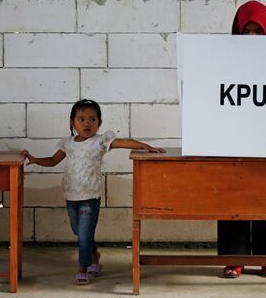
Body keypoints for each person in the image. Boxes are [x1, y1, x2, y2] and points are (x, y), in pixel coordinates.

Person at [22, 99, 165, 285]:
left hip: (90, 197)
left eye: (92, 119)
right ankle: (95, 254)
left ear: (99, 123)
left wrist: (146, 146)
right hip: (71, 196)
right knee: (79, 231)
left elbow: (123, 142)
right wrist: (35, 159)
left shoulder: (100, 142)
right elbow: (52, 160)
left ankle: (83, 268)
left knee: (83, 235)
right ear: (72, 122)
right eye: (81, 119)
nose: (87, 123)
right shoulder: (67, 144)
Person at [217, 0, 266, 279]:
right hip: (235, 137)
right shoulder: (222, 59)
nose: (253, 37)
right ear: (238, 32)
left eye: (258, 31)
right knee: (234, 194)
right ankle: (235, 257)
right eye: (247, 31)